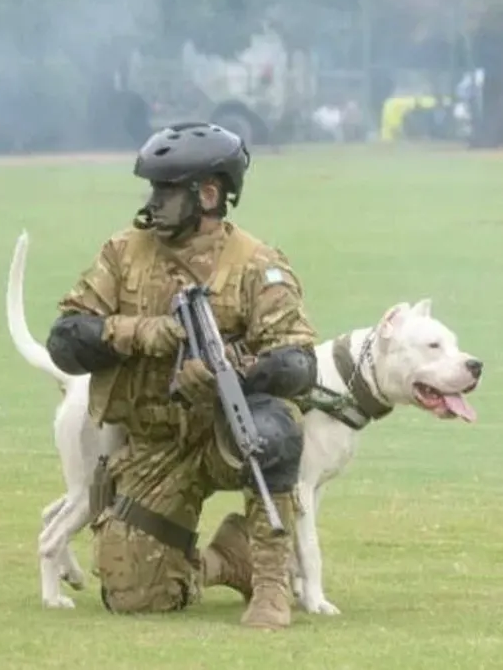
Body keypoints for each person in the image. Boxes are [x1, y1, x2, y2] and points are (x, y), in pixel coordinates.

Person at [43, 122, 318, 629]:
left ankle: (273, 585)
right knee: (135, 597)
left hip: (227, 435)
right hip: (154, 444)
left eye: (168, 190)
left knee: (274, 428)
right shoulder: (123, 254)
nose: (155, 200)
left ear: (208, 194)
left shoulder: (258, 265)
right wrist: (138, 332)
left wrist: (233, 374)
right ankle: (226, 560)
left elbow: (300, 364)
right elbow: (64, 341)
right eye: (154, 188)